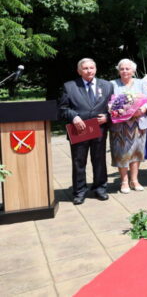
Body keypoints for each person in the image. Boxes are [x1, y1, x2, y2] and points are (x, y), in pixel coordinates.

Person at [59, 58, 114, 205]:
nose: (89, 71)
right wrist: (74, 117)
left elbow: (114, 107)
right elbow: (63, 108)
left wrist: (107, 117)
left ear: (96, 69)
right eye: (85, 68)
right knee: (79, 162)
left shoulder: (107, 85)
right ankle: (79, 191)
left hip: (99, 129)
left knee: (99, 159)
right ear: (79, 71)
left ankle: (100, 188)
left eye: (91, 68)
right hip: (79, 129)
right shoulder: (70, 86)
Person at [109, 59, 147, 194]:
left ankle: (134, 180)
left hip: (138, 123)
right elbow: (109, 103)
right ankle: (124, 181)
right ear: (118, 70)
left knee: (137, 152)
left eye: (127, 69)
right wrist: (117, 110)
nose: (125, 71)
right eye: (122, 69)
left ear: (133, 71)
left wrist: (143, 109)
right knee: (122, 153)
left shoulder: (140, 83)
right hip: (120, 125)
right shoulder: (112, 84)